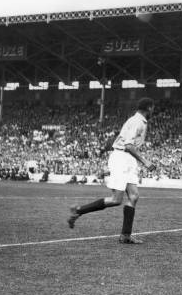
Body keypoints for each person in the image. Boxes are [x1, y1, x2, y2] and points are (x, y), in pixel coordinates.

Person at [67, 98, 156, 245]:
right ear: (149, 108)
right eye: (153, 108)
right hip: (122, 157)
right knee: (116, 200)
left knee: (133, 196)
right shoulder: (137, 121)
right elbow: (127, 145)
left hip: (128, 159)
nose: (154, 111)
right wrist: (145, 161)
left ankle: (125, 235)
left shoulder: (139, 121)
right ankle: (78, 210)